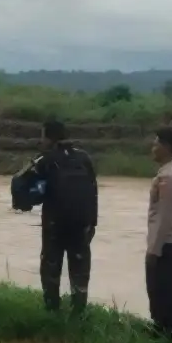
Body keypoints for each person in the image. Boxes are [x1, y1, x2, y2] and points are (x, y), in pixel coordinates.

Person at [16, 118, 99, 315]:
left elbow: (29, 188)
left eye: (42, 137)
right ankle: (78, 312)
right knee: (79, 269)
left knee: (51, 266)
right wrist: (92, 223)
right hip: (81, 224)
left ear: (50, 138)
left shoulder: (45, 160)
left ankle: (52, 310)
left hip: (55, 224)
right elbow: (94, 191)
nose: (41, 141)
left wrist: (22, 202)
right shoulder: (84, 158)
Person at [145, 126, 172, 343]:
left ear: (167, 147)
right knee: (166, 287)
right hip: (170, 242)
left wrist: (154, 249)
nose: (152, 149)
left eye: (156, 144)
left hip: (166, 243)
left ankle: (170, 331)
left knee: (164, 288)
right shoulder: (171, 173)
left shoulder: (169, 177)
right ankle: (166, 328)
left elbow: (164, 216)